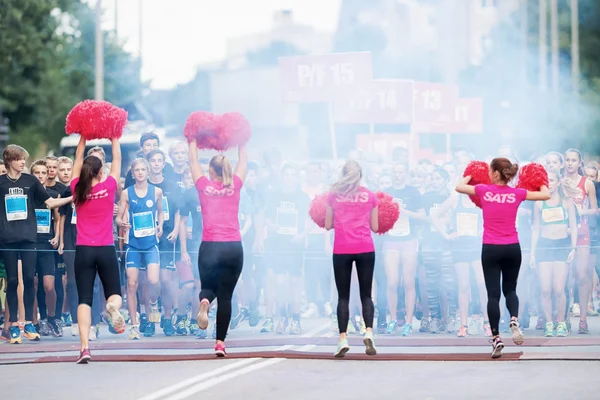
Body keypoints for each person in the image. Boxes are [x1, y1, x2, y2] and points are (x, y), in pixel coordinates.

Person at [456, 157, 550, 358]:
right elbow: (546, 194)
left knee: (493, 295)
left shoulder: (483, 190)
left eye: (490, 171)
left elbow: (459, 186)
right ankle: (514, 319)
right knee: (510, 290)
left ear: (496, 173)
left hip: (491, 248)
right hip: (512, 247)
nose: (488, 174)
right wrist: (539, 177)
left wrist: (472, 172)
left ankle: (496, 338)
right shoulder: (517, 193)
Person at [0, 145, 72, 345]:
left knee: (31, 279)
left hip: (29, 238)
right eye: (19, 159)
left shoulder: (30, 181)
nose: (23, 162)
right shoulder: (1, 183)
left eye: (24, 159)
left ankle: (30, 324)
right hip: (7, 240)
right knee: (13, 282)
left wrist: (73, 197)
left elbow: (50, 202)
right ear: (9, 161)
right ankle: (14, 326)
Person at [70, 136, 125, 364]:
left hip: (83, 250)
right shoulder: (109, 186)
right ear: (101, 172)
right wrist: (114, 136)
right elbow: (118, 158)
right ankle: (112, 307)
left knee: (84, 299)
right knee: (114, 293)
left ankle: (84, 347)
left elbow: (76, 159)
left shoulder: (76, 189)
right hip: (105, 248)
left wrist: (82, 137)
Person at [190, 140, 247, 357]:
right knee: (226, 296)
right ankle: (220, 343)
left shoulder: (204, 185)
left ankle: (205, 301)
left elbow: (193, 160)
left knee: (207, 287)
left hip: (210, 246)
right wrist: (242, 139)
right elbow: (243, 160)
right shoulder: (237, 185)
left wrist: (192, 139)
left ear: (211, 171)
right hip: (233, 246)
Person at [325, 160, 378, 358]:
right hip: (365, 247)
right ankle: (369, 332)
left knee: (343, 296)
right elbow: (375, 226)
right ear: (361, 174)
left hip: (342, 248)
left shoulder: (334, 195)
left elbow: (328, 224)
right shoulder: (370, 196)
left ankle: (343, 339)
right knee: (366, 295)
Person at [115, 158, 164, 340]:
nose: (141, 172)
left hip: (151, 243)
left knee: (153, 280)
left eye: (144, 169)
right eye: (137, 170)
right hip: (133, 243)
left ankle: (152, 303)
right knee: (132, 283)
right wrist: (123, 223)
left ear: (148, 172)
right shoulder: (127, 193)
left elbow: (161, 212)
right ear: (133, 173)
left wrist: (160, 225)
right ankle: (134, 325)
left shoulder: (157, 191)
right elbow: (118, 218)